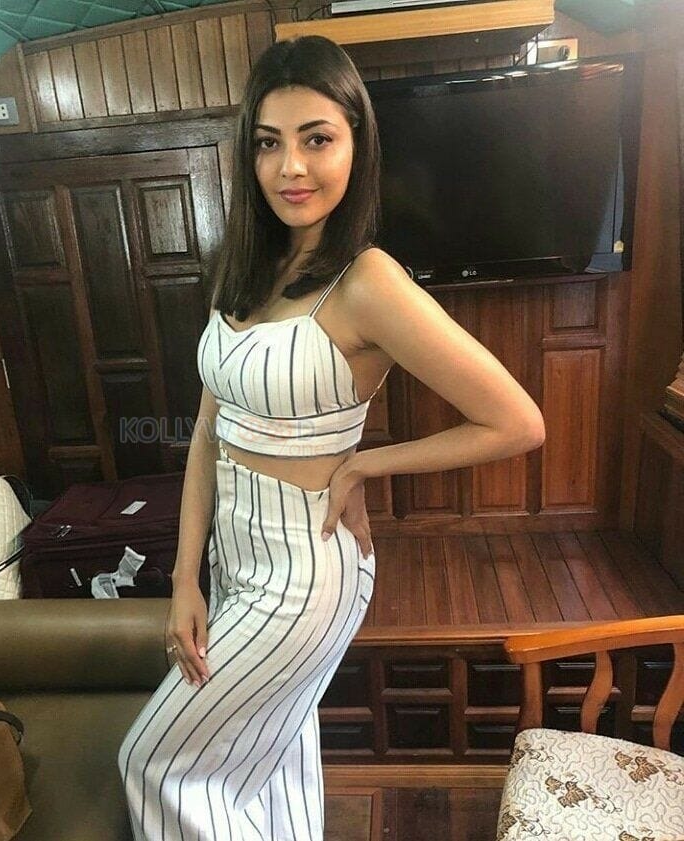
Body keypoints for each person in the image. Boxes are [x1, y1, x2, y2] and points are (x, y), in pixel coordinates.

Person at [118, 34, 545, 841]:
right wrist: (184, 577)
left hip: (305, 564)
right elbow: (208, 431)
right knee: (272, 751)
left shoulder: (368, 281)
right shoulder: (242, 265)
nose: (291, 168)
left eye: (317, 139)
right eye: (268, 143)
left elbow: (517, 421)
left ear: (356, 142)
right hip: (232, 553)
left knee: (153, 761)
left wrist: (363, 466)